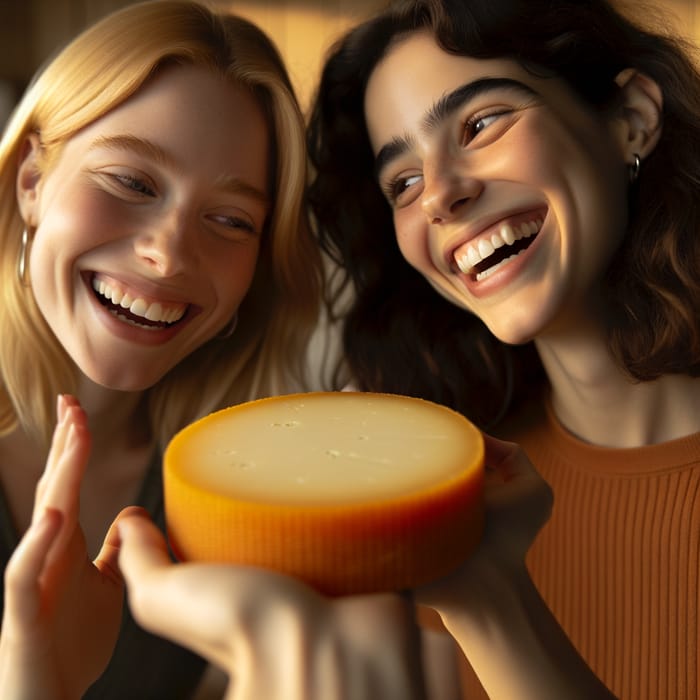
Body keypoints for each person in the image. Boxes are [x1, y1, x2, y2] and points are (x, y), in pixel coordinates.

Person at [304, 0, 700, 698]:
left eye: (480, 124)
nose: (440, 198)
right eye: (403, 182)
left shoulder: (472, 547)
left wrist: (488, 600)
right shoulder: (455, 502)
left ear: (631, 118)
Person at [0, 1, 323, 697]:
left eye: (231, 220)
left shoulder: (234, 505)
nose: (169, 254)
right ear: (32, 183)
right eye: (132, 182)